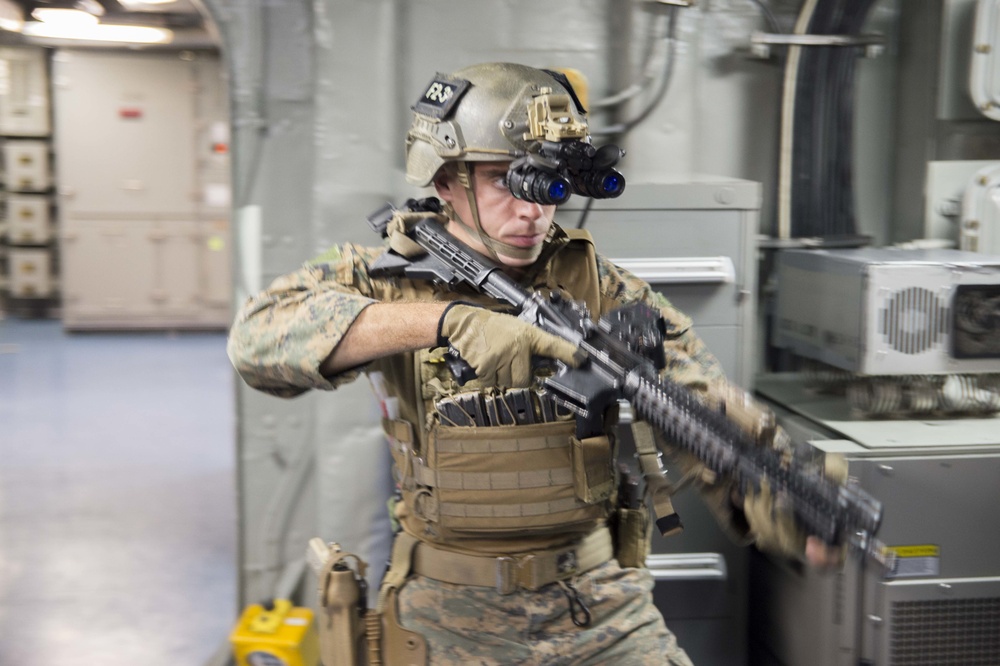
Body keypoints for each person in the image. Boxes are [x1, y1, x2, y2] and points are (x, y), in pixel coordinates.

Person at [227, 62, 840, 665]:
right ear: (444, 180)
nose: (532, 212)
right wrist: (445, 321)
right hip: (444, 614)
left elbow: (698, 401)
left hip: (598, 606)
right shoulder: (385, 276)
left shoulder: (602, 289)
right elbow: (257, 339)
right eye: (505, 180)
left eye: (547, 185)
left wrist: (783, 496)